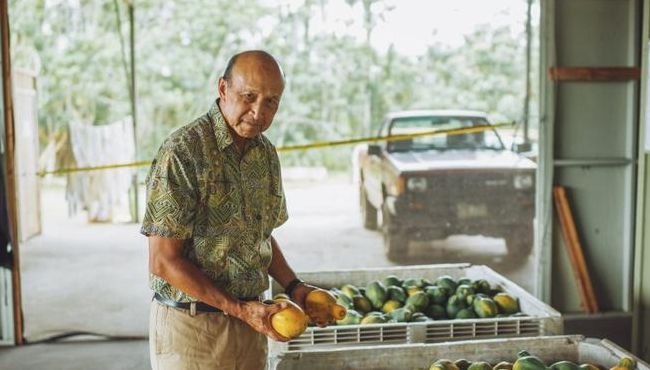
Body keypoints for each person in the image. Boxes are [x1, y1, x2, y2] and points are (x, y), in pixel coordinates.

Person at [141, 50, 325, 370]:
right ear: (223, 89)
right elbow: (163, 261)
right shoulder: (183, 152)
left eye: (271, 102)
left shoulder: (264, 154)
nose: (258, 112)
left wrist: (295, 288)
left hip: (252, 326)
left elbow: (258, 235)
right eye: (248, 96)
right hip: (192, 330)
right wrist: (239, 309)